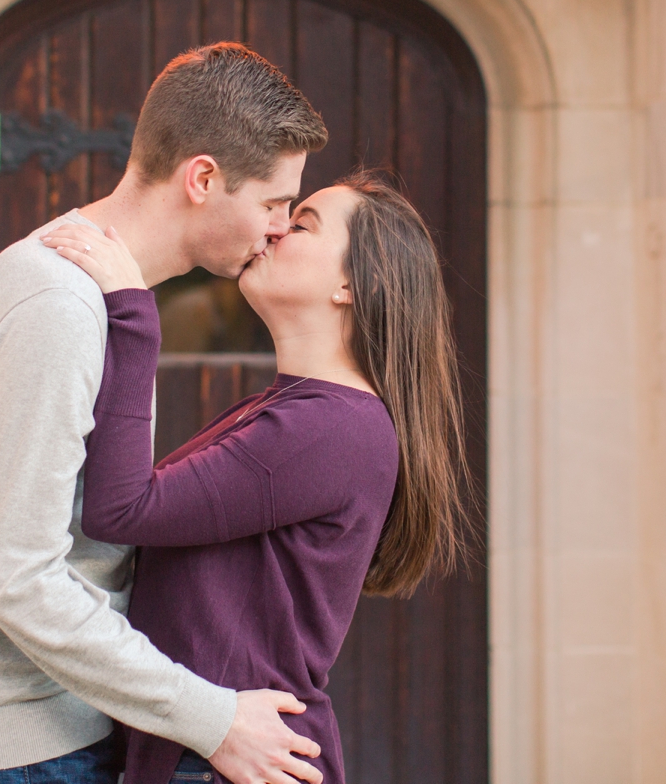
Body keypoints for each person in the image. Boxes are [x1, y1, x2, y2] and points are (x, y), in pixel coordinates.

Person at [0, 43, 330, 784]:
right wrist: (212, 718)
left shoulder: (88, 293)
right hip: (24, 756)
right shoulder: (59, 306)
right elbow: (21, 580)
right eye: (272, 203)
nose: (280, 228)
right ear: (203, 178)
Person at [41, 171, 469, 784]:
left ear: (351, 284)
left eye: (301, 225)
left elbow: (124, 510)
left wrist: (133, 313)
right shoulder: (298, 408)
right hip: (214, 749)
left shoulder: (331, 429)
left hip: (229, 761)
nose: (274, 227)